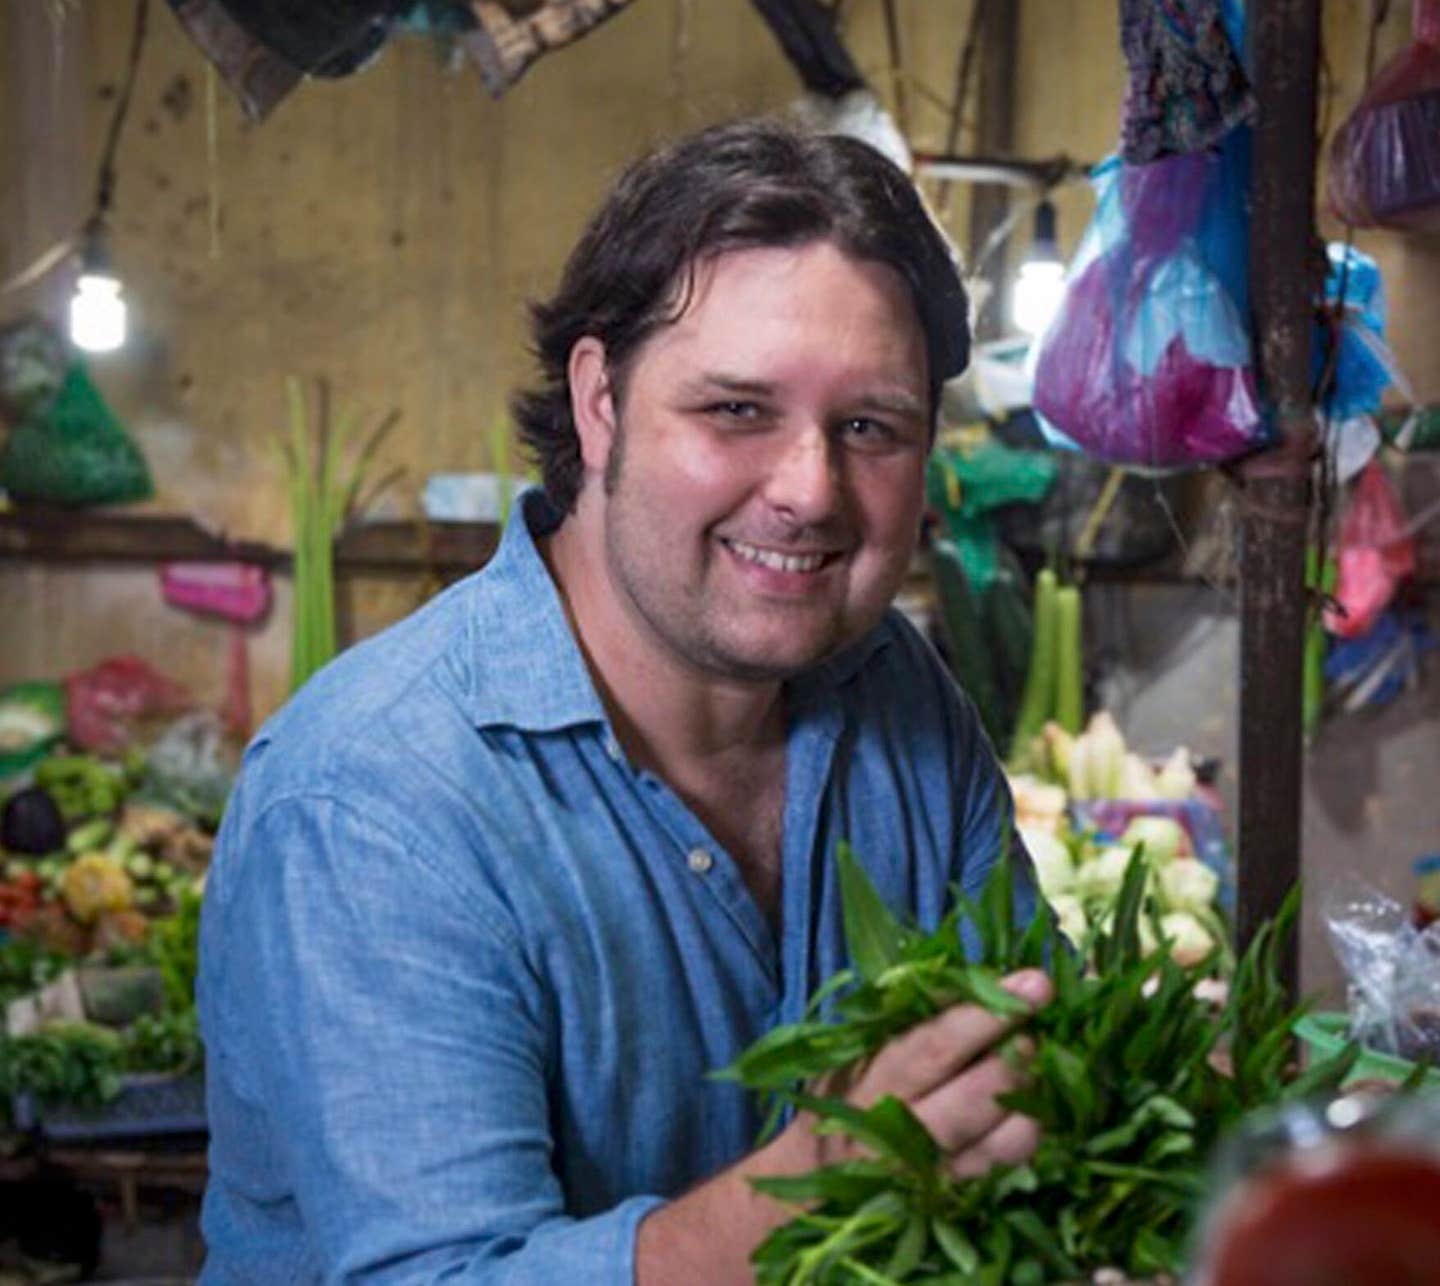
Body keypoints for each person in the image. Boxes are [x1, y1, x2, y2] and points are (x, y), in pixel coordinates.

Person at [197, 118, 1050, 1284]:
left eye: (870, 427)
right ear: (599, 403)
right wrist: (827, 1183)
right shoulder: (375, 798)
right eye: (737, 411)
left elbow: (1037, 1069)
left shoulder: (897, 692)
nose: (810, 489)